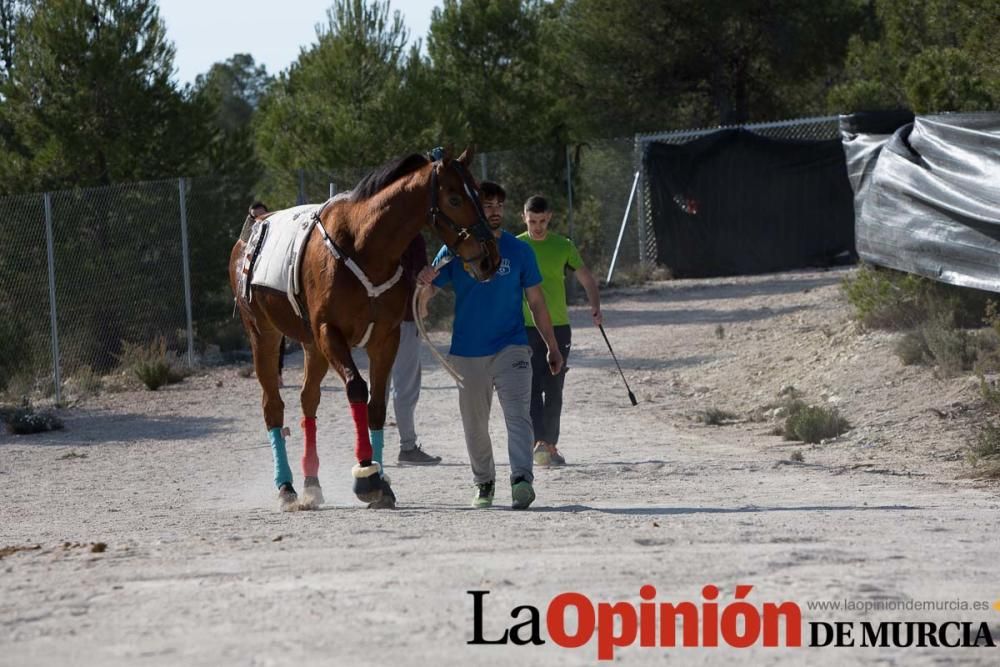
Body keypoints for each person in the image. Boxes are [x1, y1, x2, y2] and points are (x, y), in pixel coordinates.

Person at [416, 181, 563, 510]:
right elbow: (426, 298)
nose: (494, 211)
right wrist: (424, 283)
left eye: (499, 205)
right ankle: (484, 483)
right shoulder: (453, 251)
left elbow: (537, 302)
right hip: (467, 353)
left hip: (512, 346)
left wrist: (551, 345)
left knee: (518, 416)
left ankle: (522, 479)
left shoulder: (520, 251)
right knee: (474, 424)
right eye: (487, 205)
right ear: (474, 209)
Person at [518, 195, 602, 467]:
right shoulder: (517, 245)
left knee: (554, 387)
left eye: (542, 221)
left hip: (559, 326)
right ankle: (537, 444)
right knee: (530, 388)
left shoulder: (563, 245)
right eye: (533, 221)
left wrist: (596, 307)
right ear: (524, 218)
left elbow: (586, 277)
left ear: (550, 217)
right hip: (526, 327)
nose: (538, 226)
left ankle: (550, 445)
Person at [390, 233, 442, 465]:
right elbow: (419, 281)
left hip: (375, 320)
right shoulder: (412, 237)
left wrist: (424, 278)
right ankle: (408, 447)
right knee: (405, 386)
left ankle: (371, 449)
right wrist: (421, 278)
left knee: (383, 385)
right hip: (403, 318)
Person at [247, 201, 288, 386]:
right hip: (254, 294)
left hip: (274, 293)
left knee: (279, 335)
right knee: (259, 336)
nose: (259, 219)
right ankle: (265, 372)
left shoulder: (278, 235)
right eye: (255, 216)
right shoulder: (248, 240)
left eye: (262, 215)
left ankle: (277, 373)